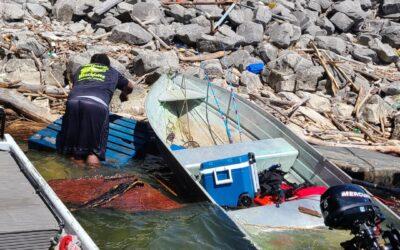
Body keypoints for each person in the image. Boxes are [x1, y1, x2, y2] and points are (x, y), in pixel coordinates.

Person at [56, 54, 134, 167]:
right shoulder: (112, 71)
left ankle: (73, 178)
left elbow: (75, 85)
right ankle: (92, 181)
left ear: (91, 63)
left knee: (76, 152)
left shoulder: (81, 69)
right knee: (93, 152)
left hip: (73, 103)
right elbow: (130, 86)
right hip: (96, 105)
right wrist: (124, 94)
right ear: (107, 64)